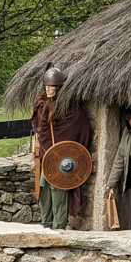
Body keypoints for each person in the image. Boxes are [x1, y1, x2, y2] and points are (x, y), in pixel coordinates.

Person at [31, 67, 92, 229]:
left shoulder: (69, 109)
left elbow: (82, 127)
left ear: (60, 88)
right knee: (44, 191)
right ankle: (46, 223)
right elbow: (40, 130)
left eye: (53, 87)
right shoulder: (42, 106)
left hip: (63, 160)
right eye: (47, 86)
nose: (49, 90)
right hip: (47, 156)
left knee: (59, 193)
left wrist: (73, 152)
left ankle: (58, 227)